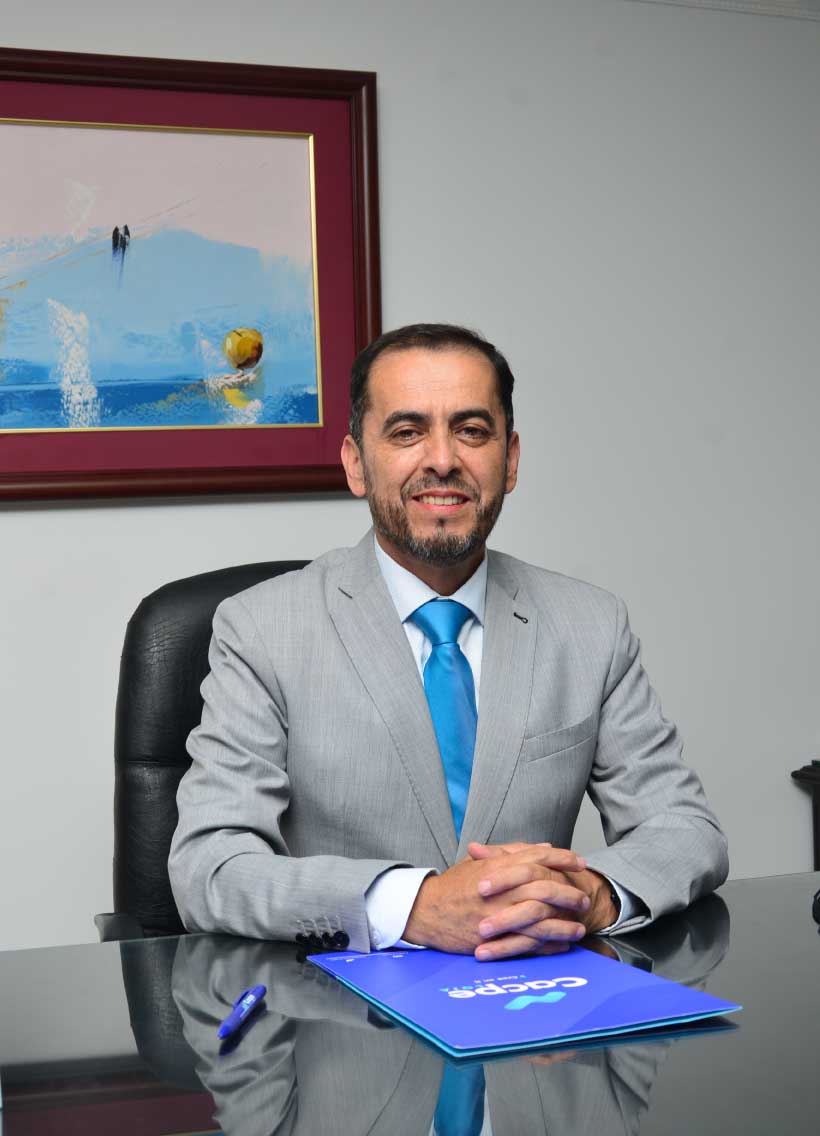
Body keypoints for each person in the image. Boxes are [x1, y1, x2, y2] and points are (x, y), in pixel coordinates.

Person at [168, 323, 728, 961]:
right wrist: (416, 906)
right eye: (407, 432)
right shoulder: (261, 629)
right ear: (356, 463)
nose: (442, 459)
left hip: (538, 1003)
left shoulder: (591, 625)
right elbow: (210, 867)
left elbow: (685, 829)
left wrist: (587, 895)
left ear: (509, 460)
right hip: (341, 1011)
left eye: (472, 430)